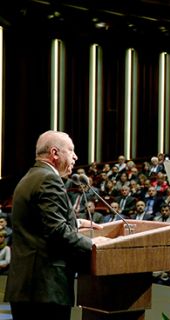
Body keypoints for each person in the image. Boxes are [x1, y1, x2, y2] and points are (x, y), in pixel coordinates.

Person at [5, 130, 107, 320]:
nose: (76, 157)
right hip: (45, 290)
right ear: (54, 153)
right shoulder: (48, 179)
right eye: (71, 150)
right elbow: (57, 232)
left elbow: (39, 223)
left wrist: (76, 222)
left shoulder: (30, 177)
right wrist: (98, 245)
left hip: (28, 288)